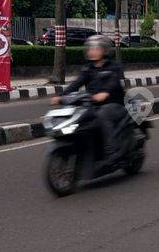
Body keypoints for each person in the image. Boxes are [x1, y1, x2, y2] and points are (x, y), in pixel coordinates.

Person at [51, 35, 127, 170]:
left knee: (103, 115)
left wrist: (105, 93)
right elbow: (76, 83)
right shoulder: (88, 68)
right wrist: (61, 96)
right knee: (80, 119)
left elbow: (114, 82)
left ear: (104, 50)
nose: (92, 51)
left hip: (114, 105)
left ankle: (112, 151)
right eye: (91, 48)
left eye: (96, 48)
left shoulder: (114, 67)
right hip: (93, 105)